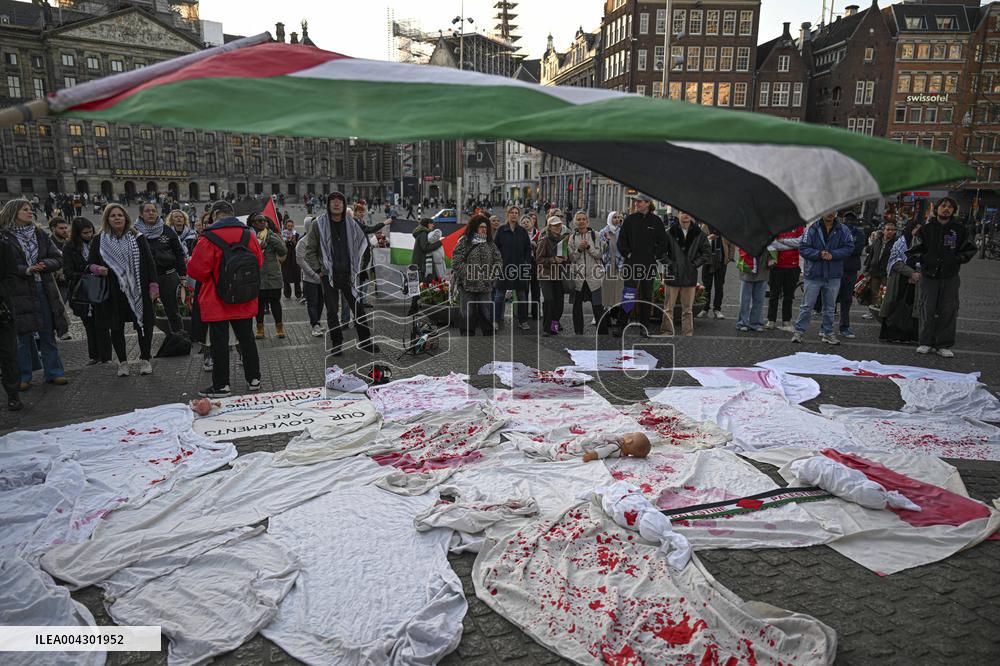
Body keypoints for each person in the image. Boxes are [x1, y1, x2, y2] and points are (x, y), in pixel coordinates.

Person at [188, 200, 264, 397]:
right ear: (232, 214)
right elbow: (259, 262)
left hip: (217, 298)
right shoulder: (249, 234)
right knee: (246, 338)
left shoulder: (208, 237)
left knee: (219, 342)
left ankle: (222, 385)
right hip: (244, 296)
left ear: (214, 215)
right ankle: (254, 378)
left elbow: (197, 271)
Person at [0, 199, 69, 390]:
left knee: (48, 332)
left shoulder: (40, 234)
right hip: (18, 291)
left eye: (31, 209)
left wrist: (44, 265)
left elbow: (58, 258)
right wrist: (26, 269)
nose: (30, 212)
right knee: (22, 335)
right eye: (25, 210)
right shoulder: (4, 237)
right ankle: (23, 376)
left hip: (42, 287)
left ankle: (54, 372)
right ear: (13, 212)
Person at [303, 191, 377, 355]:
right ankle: (336, 343)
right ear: (328, 204)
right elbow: (309, 251)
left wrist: (360, 267)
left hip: (349, 274)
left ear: (344, 205)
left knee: (358, 308)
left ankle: (365, 341)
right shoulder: (318, 224)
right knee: (331, 311)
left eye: (340, 201)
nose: (336, 203)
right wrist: (319, 270)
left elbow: (362, 243)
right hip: (328, 274)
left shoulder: (352, 224)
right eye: (333, 201)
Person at [89, 204, 158, 377]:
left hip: (138, 288)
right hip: (113, 290)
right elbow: (90, 264)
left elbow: (150, 263)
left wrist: (153, 285)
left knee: (145, 323)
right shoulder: (99, 240)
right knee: (116, 327)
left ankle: (145, 359)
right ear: (107, 219)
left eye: (120, 215)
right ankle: (122, 362)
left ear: (126, 218)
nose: (117, 218)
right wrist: (97, 269)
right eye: (113, 216)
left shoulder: (138, 237)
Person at [907, 197, 976, 357]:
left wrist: (956, 259)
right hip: (929, 275)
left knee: (948, 309)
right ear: (937, 208)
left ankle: (943, 344)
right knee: (927, 308)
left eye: (950, 207)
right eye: (943, 206)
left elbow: (970, 249)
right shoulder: (926, 229)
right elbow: (914, 249)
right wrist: (924, 260)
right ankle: (925, 342)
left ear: (953, 211)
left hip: (950, 276)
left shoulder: (960, 229)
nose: (946, 209)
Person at [791, 213, 855, 345]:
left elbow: (849, 247)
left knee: (830, 307)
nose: (830, 214)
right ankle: (799, 332)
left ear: (836, 213)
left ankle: (828, 333)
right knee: (807, 305)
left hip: (833, 274)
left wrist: (833, 254)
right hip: (814, 274)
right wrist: (818, 254)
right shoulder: (812, 228)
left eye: (833, 211)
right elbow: (803, 247)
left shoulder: (843, 229)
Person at [617, 194, 668, 335]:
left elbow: (663, 242)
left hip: (648, 264)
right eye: (636, 202)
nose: (637, 204)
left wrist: (655, 255)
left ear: (648, 203)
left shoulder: (656, 221)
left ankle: (645, 327)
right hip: (631, 263)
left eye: (640, 202)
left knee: (646, 295)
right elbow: (622, 240)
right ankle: (621, 326)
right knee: (629, 293)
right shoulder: (630, 219)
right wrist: (627, 254)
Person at [135, 202, 186, 334]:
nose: (151, 213)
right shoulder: (135, 232)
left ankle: (179, 338)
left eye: (153, 210)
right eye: (147, 211)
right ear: (141, 214)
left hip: (167, 276)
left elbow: (179, 253)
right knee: (146, 313)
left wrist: (182, 275)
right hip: (145, 278)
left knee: (173, 311)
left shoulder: (166, 230)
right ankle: (146, 340)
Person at [660, 211, 710, 336]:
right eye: (682, 213)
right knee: (668, 307)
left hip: (689, 275)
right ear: (678, 215)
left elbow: (706, 253)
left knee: (688, 309)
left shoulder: (699, 234)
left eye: (688, 213)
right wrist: (671, 264)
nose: (686, 215)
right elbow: (660, 252)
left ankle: (687, 333)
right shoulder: (669, 232)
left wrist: (694, 264)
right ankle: (666, 331)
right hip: (673, 274)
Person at [451, 214, 501, 336]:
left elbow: (498, 261)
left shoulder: (490, 244)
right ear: (474, 227)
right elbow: (456, 262)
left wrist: (492, 275)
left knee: (486, 309)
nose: (484, 229)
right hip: (467, 284)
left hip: (485, 284)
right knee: (467, 310)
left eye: (485, 227)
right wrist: (468, 273)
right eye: (481, 227)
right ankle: (467, 332)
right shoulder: (464, 241)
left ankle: (488, 332)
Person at [62, 217, 103, 365]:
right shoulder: (69, 247)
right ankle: (95, 355)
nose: (89, 235)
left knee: (103, 323)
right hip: (82, 292)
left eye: (91, 231)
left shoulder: (98, 242)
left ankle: (105, 353)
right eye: (85, 233)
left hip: (100, 288)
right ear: (77, 233)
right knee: (89, 324)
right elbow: (68, 272)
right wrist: (88, 272)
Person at [879, 221, 922, 344]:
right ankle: (893, 334)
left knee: (912, 307)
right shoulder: (900, 243)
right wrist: (910, 273)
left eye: (920, 228)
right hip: (899, 280)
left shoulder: (922, 243)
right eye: (915, 227)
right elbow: (894, 261)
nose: (917, 230)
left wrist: (917, 274)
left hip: (916, 280)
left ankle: (910, 336)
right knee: (895, 305)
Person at [493, 205, 534, 331]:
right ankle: (495, 320)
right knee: (499, 296)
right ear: (508, 214)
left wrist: (526, 263)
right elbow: (495, 249)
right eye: (512, 212)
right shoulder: (501, 230)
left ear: (518, 215)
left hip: (520, 268)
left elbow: (528, 249)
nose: (514, 214)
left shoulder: (522, 231)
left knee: (521, 296)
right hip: (504, 268)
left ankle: (523, 321)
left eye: (516, 213)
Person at [567, 210, 606, 335]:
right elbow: (572, 258)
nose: (581, 221)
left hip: (594, 276)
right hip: (579, 277)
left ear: (587, 221)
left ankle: (602, 331)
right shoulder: (572, 237)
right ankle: (578, 331)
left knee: (597, 305)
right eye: (579, 219)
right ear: (575, 222)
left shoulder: (596, 235)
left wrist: (589, 247)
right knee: (577, 305)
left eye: (583, 219)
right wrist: (579, 249)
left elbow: (599, 254)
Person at [250, 213, 288, 339]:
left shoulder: (272, 235)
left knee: (275, 302)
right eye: (259, 220)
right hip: (257, 276)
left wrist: (271, 238)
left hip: (273, 275)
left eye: (264, 220)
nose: (262, 222)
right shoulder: (249, 236)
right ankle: (260, 328)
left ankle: (279, 327)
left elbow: (283, 251)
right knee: (259, 304)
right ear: (253, 223)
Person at [765, 224, 804, 331]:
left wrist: (783, 241)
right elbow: (772, 243)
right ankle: (771, 320)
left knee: (789, 296)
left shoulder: (799, 225)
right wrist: (792, 244)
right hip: (777, 266)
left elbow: (801, 242)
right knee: (774, 295)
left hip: (793, 266)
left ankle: (786, 320)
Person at [535, 216, 569, 336]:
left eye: (559, 225)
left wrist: (566, 259)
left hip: (559, 276)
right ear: (549, 227)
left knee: (559, 304)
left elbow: (567, 260)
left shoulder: (563, 240)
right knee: (549, 301)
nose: (557, 227)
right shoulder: (544, 240)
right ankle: (546, 329)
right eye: (555, 225)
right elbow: (538, 259)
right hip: (546, 275)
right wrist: (553, 259)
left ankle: (553, 328)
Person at [836, 212, 868, 339]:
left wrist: (840, 250)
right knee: (830, 299)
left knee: (846, 299)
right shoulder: (837, 231)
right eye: (846, 220)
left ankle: (844, 326)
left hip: (850, 269)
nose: (848, 222)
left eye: (850, 220)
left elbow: (857, 249)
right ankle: (826, 327)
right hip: (836, 269)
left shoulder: (859, 233)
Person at [0, 238, 22, 410]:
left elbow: (12, 276)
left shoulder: (3, 244)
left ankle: (13, 393)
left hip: (2, 308)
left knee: (8, 354)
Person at [698, 224, 734, 320]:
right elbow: (699, 243)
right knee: (706, 286)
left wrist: (730, 257)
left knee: (719, 286)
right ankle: (705, 309)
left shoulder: (725, 226)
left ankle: (717, 309)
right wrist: (709, 238)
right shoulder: (705, 226)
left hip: (721, 260)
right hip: (707, 261)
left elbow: (731, 243)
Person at [862, 221, 897, 320]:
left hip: (887, 272)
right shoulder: (878, 241)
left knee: (886, 292)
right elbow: (871, 254)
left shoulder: (896, 243)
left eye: (892, 230)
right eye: (888, 229)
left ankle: (884, 311)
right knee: (874, 292)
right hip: (875, 270)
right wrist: (866, 269)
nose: (890, 232)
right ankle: (873, 312)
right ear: (883, 230)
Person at [297, 217, 325, 337]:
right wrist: (314, 274)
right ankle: (314, 325)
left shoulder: (321, 239)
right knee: (312, 302)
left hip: (322, 277)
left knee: (321, 301)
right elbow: (300, 261)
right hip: (310, 279)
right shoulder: (302, 242)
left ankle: (317, 321)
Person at [735, 247, 774, 332]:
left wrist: (771, 259)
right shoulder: (745, 240)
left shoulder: (766, 239)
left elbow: (772, 249)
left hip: (762, 270)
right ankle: (742, 323)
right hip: (747, 270)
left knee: (759, 300)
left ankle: (756, 323)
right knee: (745, 300)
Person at [599, 211, 626, 334]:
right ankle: (606, 317)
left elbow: (624, 247)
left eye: (619, 217)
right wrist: (607, 241)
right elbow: (601, 249)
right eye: (614, 217)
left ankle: (615, 315)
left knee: (618, 292)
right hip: (608, 265)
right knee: (607, 292)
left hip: (620, 265)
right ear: (610, 218)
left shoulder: (622, 232)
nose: (617, 219)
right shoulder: (603, 232)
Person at [521, 213, 542, 320]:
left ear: (532, 223)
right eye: (523, 223)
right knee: (524, 291)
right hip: (523, 265)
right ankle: (523, 314)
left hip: (535, 265)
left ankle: (536, 313)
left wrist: (536, 246)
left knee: (536, 290)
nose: (526, 224)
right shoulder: (518, 235)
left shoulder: (539, 234)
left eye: (527, 222)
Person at [412, 218, 443, 282]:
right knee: (424, 282)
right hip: (421, 264)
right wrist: (440, 243)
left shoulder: (422, 233)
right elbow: (425, 248)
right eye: (431, 223)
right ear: (427, 224)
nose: (433, 225)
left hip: (420, 262)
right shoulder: (423, 234)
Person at [280, 219, 302, 300]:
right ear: (285, 226)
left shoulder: (296, 234)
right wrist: (285, 241)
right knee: (286, 277)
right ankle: (287, 294)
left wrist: (294, 241)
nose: (290, 227)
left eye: (291, 226)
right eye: (288, 226)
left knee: (297, 276)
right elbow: (280, 246)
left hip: (294, 258)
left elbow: (298, 246)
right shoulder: (282, 235)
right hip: (286, 258)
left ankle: (298, 294)